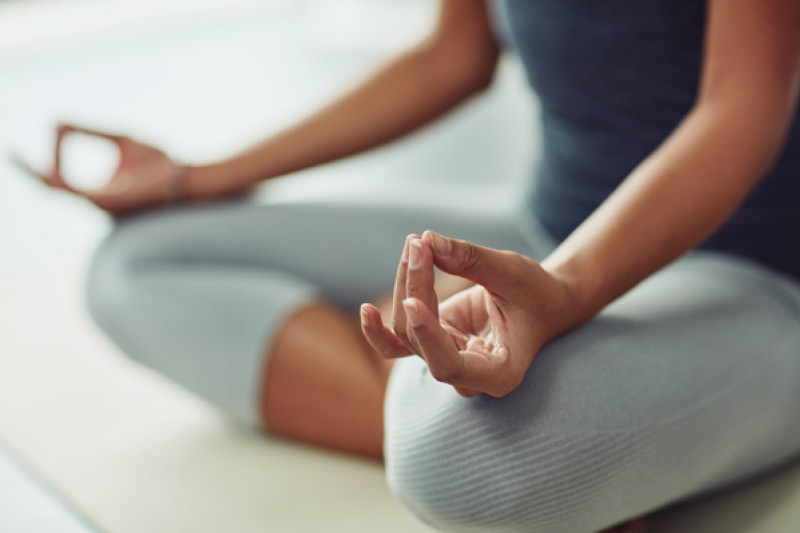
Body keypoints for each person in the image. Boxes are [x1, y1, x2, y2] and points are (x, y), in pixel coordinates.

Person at [22, 1, 800, 531]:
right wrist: (194, 179)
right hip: (540, 226)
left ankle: (513, 428)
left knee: (452, 463)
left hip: (747, 270)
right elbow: (453, 54)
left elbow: (740, 106)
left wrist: (564, 292)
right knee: (136, 264)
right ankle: (560, 449)